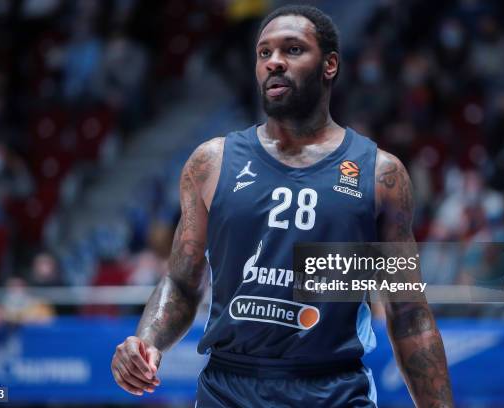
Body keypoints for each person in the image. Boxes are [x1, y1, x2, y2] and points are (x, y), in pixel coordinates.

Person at [111, 5, 453, 407]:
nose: (273, 62)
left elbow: (408, 312)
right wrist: (146, 340)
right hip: (229, 389)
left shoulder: (380, 175)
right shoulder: (211, 163)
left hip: (333, 390)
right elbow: (182, 283)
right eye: (263, 53)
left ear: (329, 65)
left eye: (292, 50)